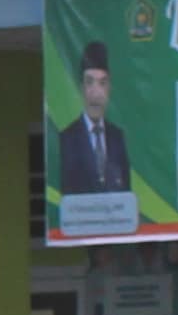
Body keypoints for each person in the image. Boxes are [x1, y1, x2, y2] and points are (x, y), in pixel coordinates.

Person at [53, 40, 136, 198]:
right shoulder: (67, 138)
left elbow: (126, 191)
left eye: (102, 83)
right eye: (89, 82)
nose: (96, 93)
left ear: (109, 89)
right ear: (82, 88)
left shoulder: (117, 136)